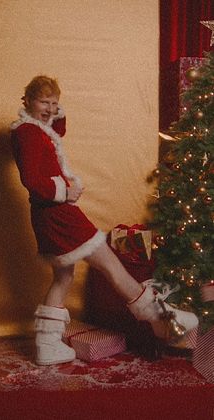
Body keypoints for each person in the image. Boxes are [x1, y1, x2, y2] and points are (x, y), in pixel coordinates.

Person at [11, 75, 198, 366]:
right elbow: (32, 180)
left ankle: (47, 344)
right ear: (27, 101)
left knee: (63, 276)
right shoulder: (27, 132)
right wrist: (66, 190)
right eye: (43, 102)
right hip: (58, 213)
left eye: (54, 103)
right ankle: (161, 319)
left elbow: (56, 132)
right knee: (111, 264)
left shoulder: (37, 130)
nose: (49, 109)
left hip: (49, 215)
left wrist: (55, 113)